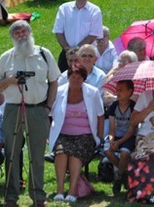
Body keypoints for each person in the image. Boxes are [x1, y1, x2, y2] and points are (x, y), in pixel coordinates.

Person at [0, 21, 59, 207]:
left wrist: (48, 107)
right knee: (12, 153)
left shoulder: (44, 54)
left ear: (30, 32)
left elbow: (54, 81)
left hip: (38, 110)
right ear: (13, 37)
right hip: (13, 110)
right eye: (17, 33)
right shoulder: (6, 58)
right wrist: (9, 81)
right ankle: (11, 196)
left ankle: (38, 196)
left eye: (24, 31)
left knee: (37, 155)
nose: (21, 35)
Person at [49, 63, 104, 203]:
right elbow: (49, 114)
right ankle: (60, 190)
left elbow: (100, 115)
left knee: (75, 154)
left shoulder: (93, 92)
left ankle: (73, 191)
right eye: (73, 77)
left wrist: (100, 137)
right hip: (63, 134)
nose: (76, 80)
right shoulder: (59, 92)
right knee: (61, 152)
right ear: (68, 77)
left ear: (84, 79)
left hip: (85, 135)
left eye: (79, 78)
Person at [52, 0, 103, 71]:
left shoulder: (95, 11)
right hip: (66, 54)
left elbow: (93, 35)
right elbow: (58, 31)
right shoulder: (64, 8)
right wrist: (68, 50)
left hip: (86, 55)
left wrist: (78, 50)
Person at [104, 79, 137, 194]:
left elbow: (131, 130)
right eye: (117, 90)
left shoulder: (133, 107)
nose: (117, 92)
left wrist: (119, 142)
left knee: (124, 153)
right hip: (116, 135)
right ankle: (126, 173)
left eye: (121, 90)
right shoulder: (113, 106)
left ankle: (118, 178)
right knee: (107, 151)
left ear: (129, 92)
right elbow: (112, 129)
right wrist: (112, 140)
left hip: (129, 137)